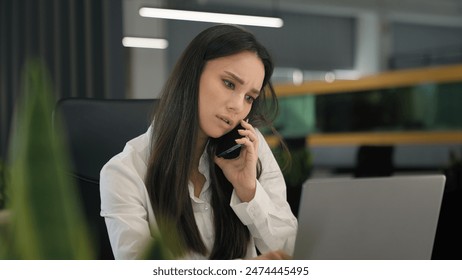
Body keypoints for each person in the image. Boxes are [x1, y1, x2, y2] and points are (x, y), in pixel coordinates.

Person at [100, 24, 298, 260]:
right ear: (193, 74)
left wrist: (249, 191)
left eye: (249, 97)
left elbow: (290, 251)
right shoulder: (125, 172)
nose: (237, 106)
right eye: (229, 83)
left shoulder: (250, 148)